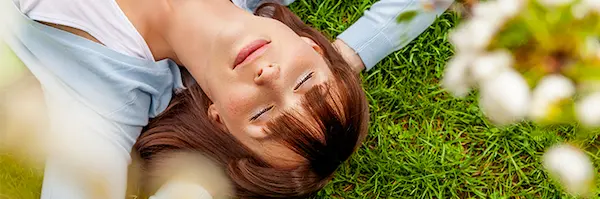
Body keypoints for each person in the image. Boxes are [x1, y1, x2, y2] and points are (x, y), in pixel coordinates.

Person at [1, 0, 452, 198]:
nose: (270, 76)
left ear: (218, 121)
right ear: (314, 48)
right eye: (306, 80)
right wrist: (352, 52)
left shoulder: (107, 99)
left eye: (262, 113)